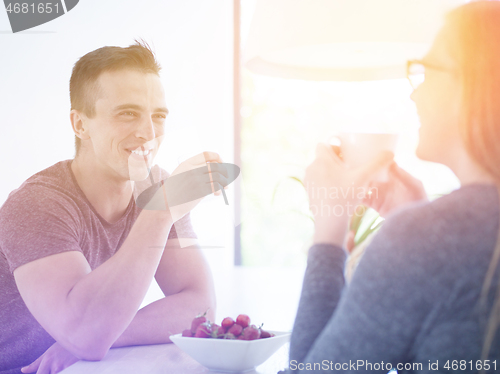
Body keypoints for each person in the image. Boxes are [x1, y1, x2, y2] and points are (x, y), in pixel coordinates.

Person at [289, 1, 500, 373]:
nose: (413, 95)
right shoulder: (435, 237)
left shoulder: (427, 239)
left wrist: (329, 231)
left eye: (426, 71)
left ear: (476, 83)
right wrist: (415, 220)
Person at [0, 42, 228, 374]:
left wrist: (100, 337)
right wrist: (161, 211)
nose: (148, 133)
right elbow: (85, 336)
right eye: (127, 113)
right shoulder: (38, 204)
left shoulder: (158, 187)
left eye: (158, 116)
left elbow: (201, 308)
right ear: (80, 125)